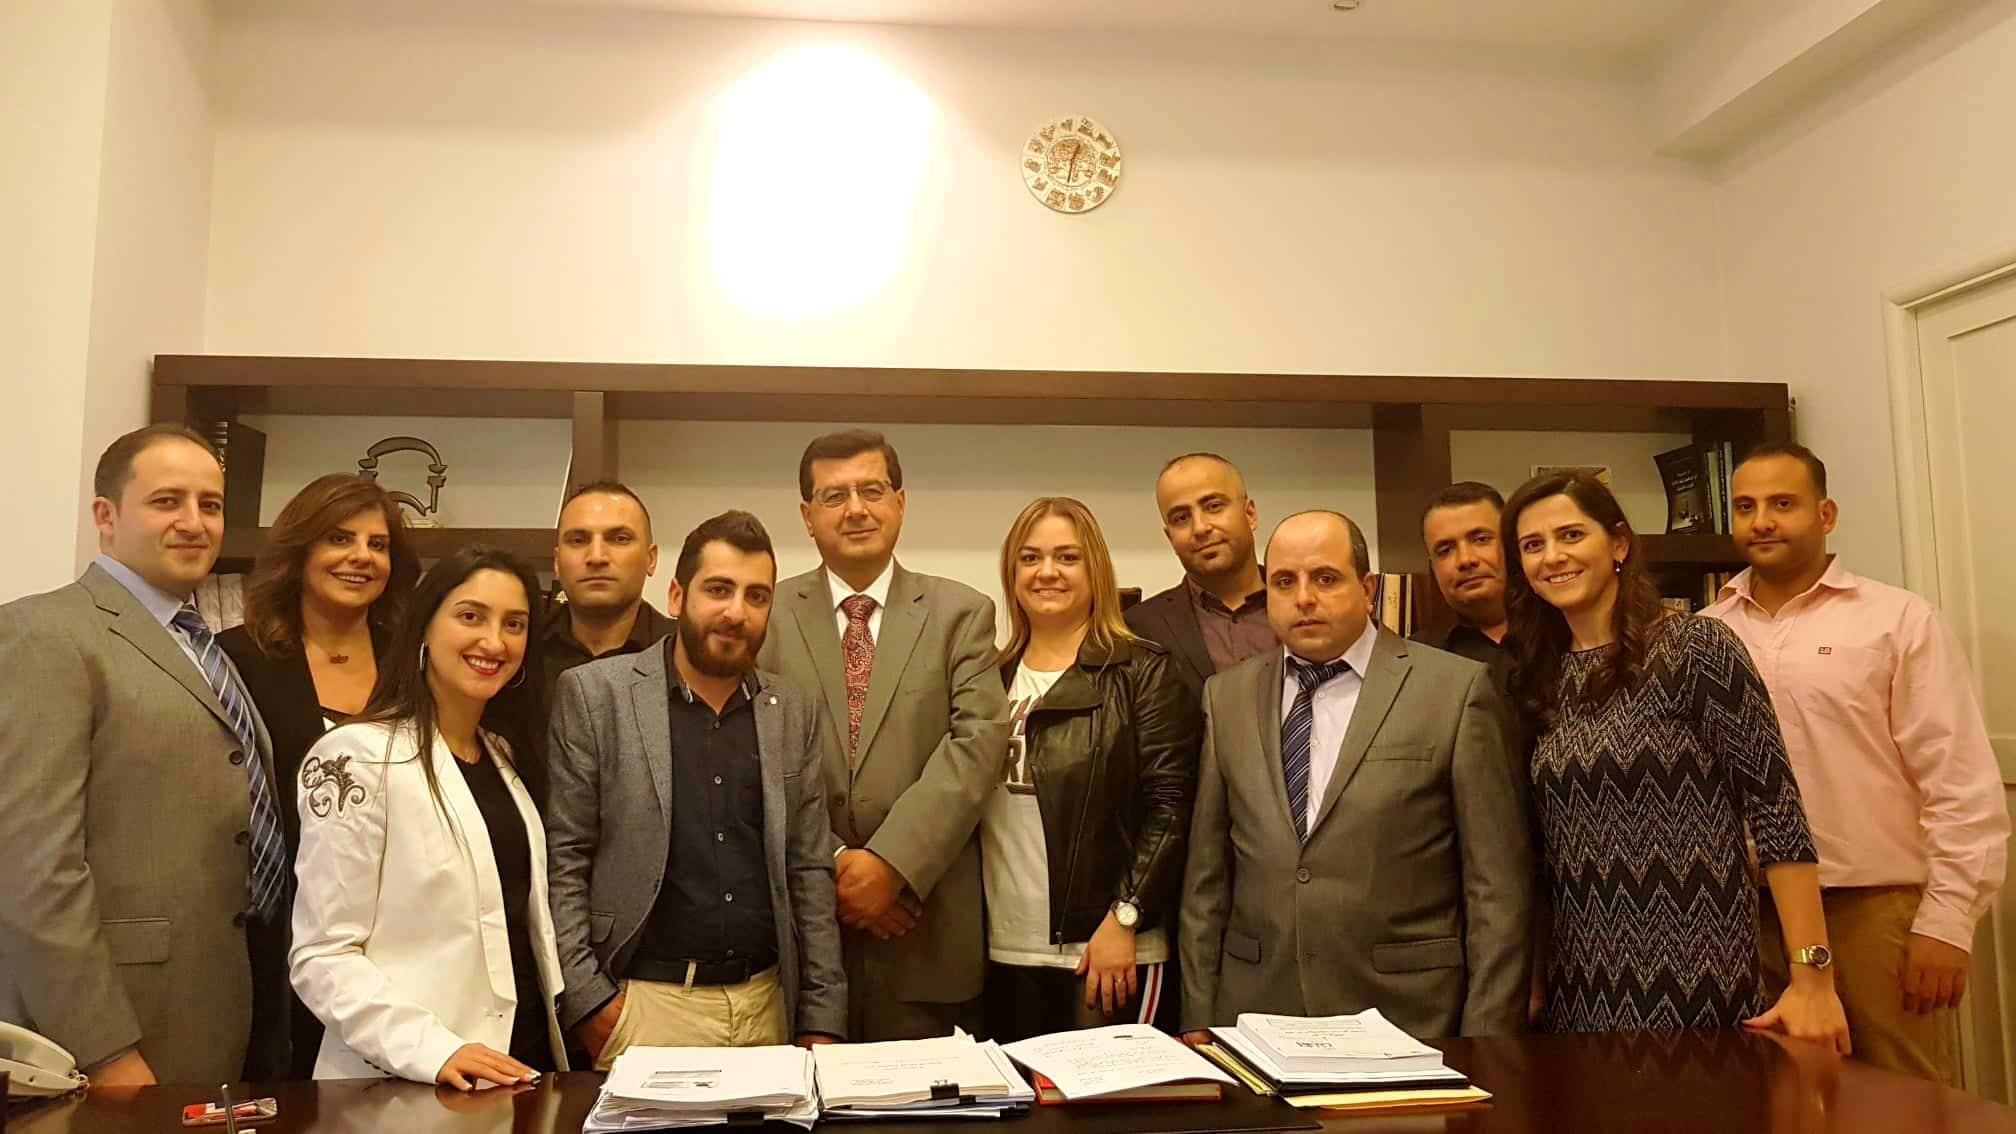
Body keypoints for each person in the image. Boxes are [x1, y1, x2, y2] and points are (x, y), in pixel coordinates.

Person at [1500, 470, 1849, 1051]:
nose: (1552, 557)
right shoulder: (1540, 679)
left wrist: (1813, 977)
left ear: (1618, 544)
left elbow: (1777, 811)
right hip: (1580, 983)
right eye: (1533, 545)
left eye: (1571, 535)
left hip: (1698, 974)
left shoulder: (1695, 646)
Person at [1704, 443, 2007, 1083]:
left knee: (1904, 1103)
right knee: (1776, 1100)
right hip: (1743, 916)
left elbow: (1960, 782)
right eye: (1746, 507)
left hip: (1873, 911)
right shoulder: (1704, 632)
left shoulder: (1897, 620)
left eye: (1783, 504)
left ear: (1826, 514)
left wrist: (1947, 923)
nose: (1762, 522)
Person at [0, 425, 288, 1085]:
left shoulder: (202, 642)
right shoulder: (43, 634)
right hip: (118, 1029)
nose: (194, 522)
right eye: (166, 501)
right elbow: (31, 869)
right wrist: (103, 1050)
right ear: (106, 516)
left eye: (210, 505)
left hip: (225, 1002)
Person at [1179, 510, 1534, 1040]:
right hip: (1256, 1017)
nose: (1304, 598)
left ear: (1367, 589)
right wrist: (1199, 1020)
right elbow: (1206, 881)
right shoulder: (1225, 696)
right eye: (1284, 582)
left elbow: (1497, 889)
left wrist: (1486, 1041)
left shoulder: (1455, 691)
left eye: (1325, 578)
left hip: (1410, 1020)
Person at [547, 511, 846, 1067]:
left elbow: (809, 868)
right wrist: (590, 1004)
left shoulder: (792, 710)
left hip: (766, 1007)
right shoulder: (595, 696)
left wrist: (823, 1017)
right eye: (718, 589)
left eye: (756, 596)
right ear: (677, 595)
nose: (736, 612)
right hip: (645, 1008)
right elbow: (565, 857)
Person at [757, 429, 1009, 1041]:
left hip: (926, 929)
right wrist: (836, 864)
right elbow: (753, 755)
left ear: (900, 502)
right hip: (803, 931)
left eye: (871, 491)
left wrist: (892, 865)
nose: (856, 510)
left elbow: (978, 745)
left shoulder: (960, 613)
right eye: (834, 496)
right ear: (807, 516)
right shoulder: (766, 616)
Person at [290, 547, 566, 1087]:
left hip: (522, 1062)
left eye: (514, 624)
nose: (494, 641)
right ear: (424, 628)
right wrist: (434, 1050)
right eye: (471, 616)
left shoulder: (505, 756)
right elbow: (322, 955)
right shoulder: (355, 757)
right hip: (408, 1076)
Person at [218, 473, 421, 1077]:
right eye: (339, 538)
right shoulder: (238, 657)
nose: (361, 557)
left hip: (402, 928)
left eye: (378, 545)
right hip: (276, 930)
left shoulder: (413, 660)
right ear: (299, 550)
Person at [982, 498, 1200, 1042]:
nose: (1047, 571)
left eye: (1067, 557)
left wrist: (1126, 916)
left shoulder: (1142, 671)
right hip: (1004, 948)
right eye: (1030, 557)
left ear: (1095, 569)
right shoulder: (987, 677)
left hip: (1108, 952)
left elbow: (1171, 810)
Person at [1125, 453, 1273, 699]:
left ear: (1249, 514)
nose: (1201, 527)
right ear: (1170, 537)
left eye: (1214, 506)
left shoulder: (1306, 603)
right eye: (1181, 518)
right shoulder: (1137, 630)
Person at [538, 481, 676, 699]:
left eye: (620, 539)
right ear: (557, 562)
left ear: (650, 559)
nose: (596, 557)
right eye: (578, 540)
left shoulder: (683, 654)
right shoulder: (522, 652)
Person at [1415, 481, 1510, 672]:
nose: (1465, 560)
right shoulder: (1418, 661)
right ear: (1433, 567)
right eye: (1445, 550)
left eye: (1481, 539)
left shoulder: (1566, 633)